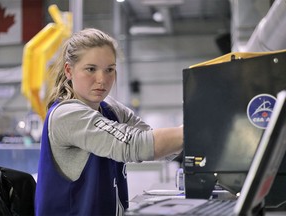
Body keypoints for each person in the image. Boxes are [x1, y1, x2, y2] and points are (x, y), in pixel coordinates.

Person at [35, 28, 183, 216]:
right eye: (91, 69)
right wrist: (194, 132)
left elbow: (153, 143)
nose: (102, 79)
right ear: (68, 70)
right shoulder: (66, 115)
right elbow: (133, 144)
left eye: (110, 70)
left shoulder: (109, 108)